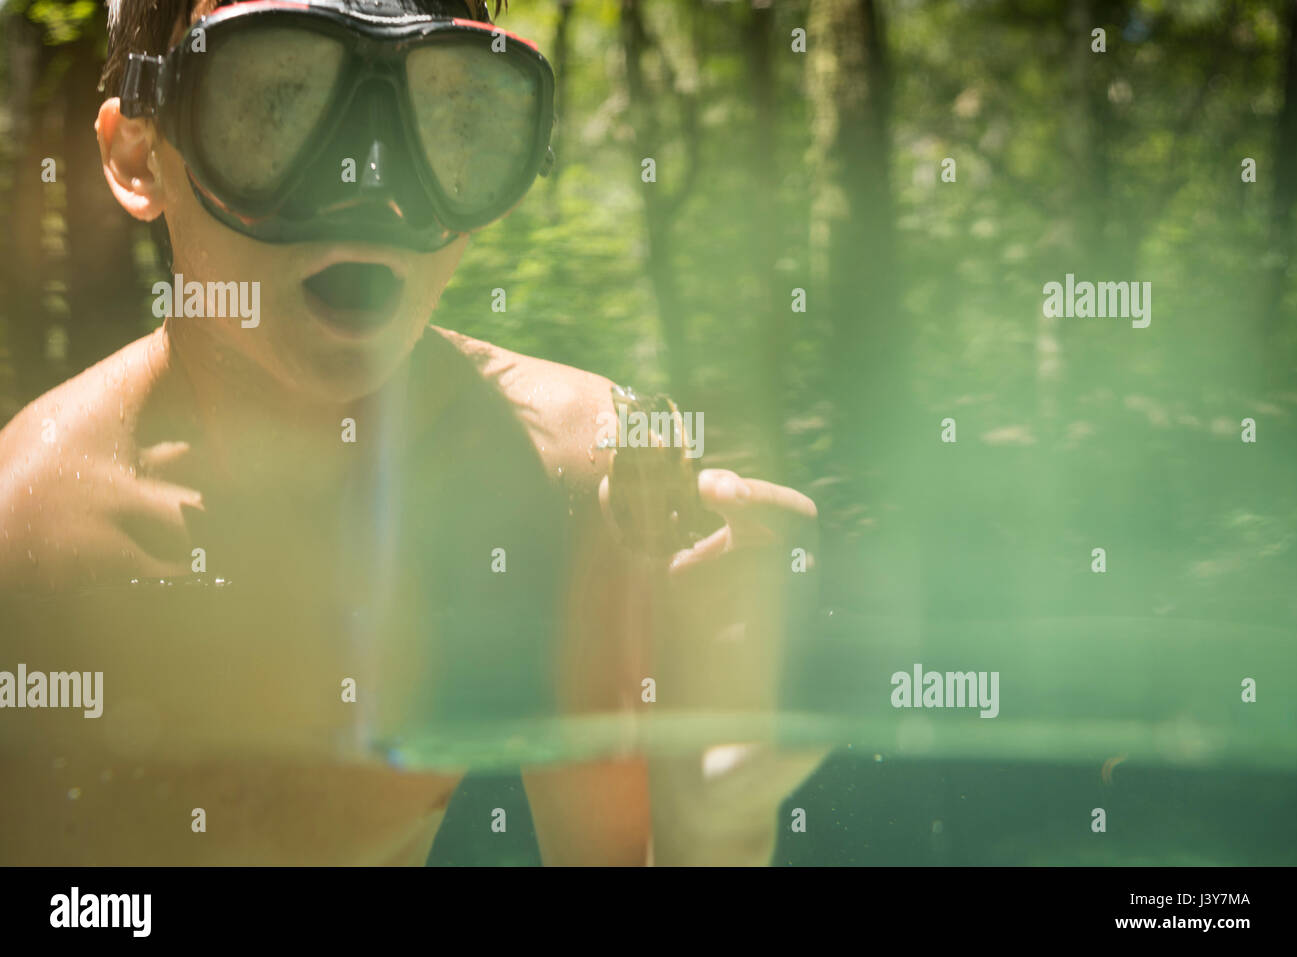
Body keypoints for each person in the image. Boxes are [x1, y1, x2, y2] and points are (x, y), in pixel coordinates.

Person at [0, 0, 822, 865]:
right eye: (278, 100)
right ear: (140, 155)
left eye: (450, 115)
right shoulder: (28, 539)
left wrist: (715, 826)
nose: (374, 188)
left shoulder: (571, 481)